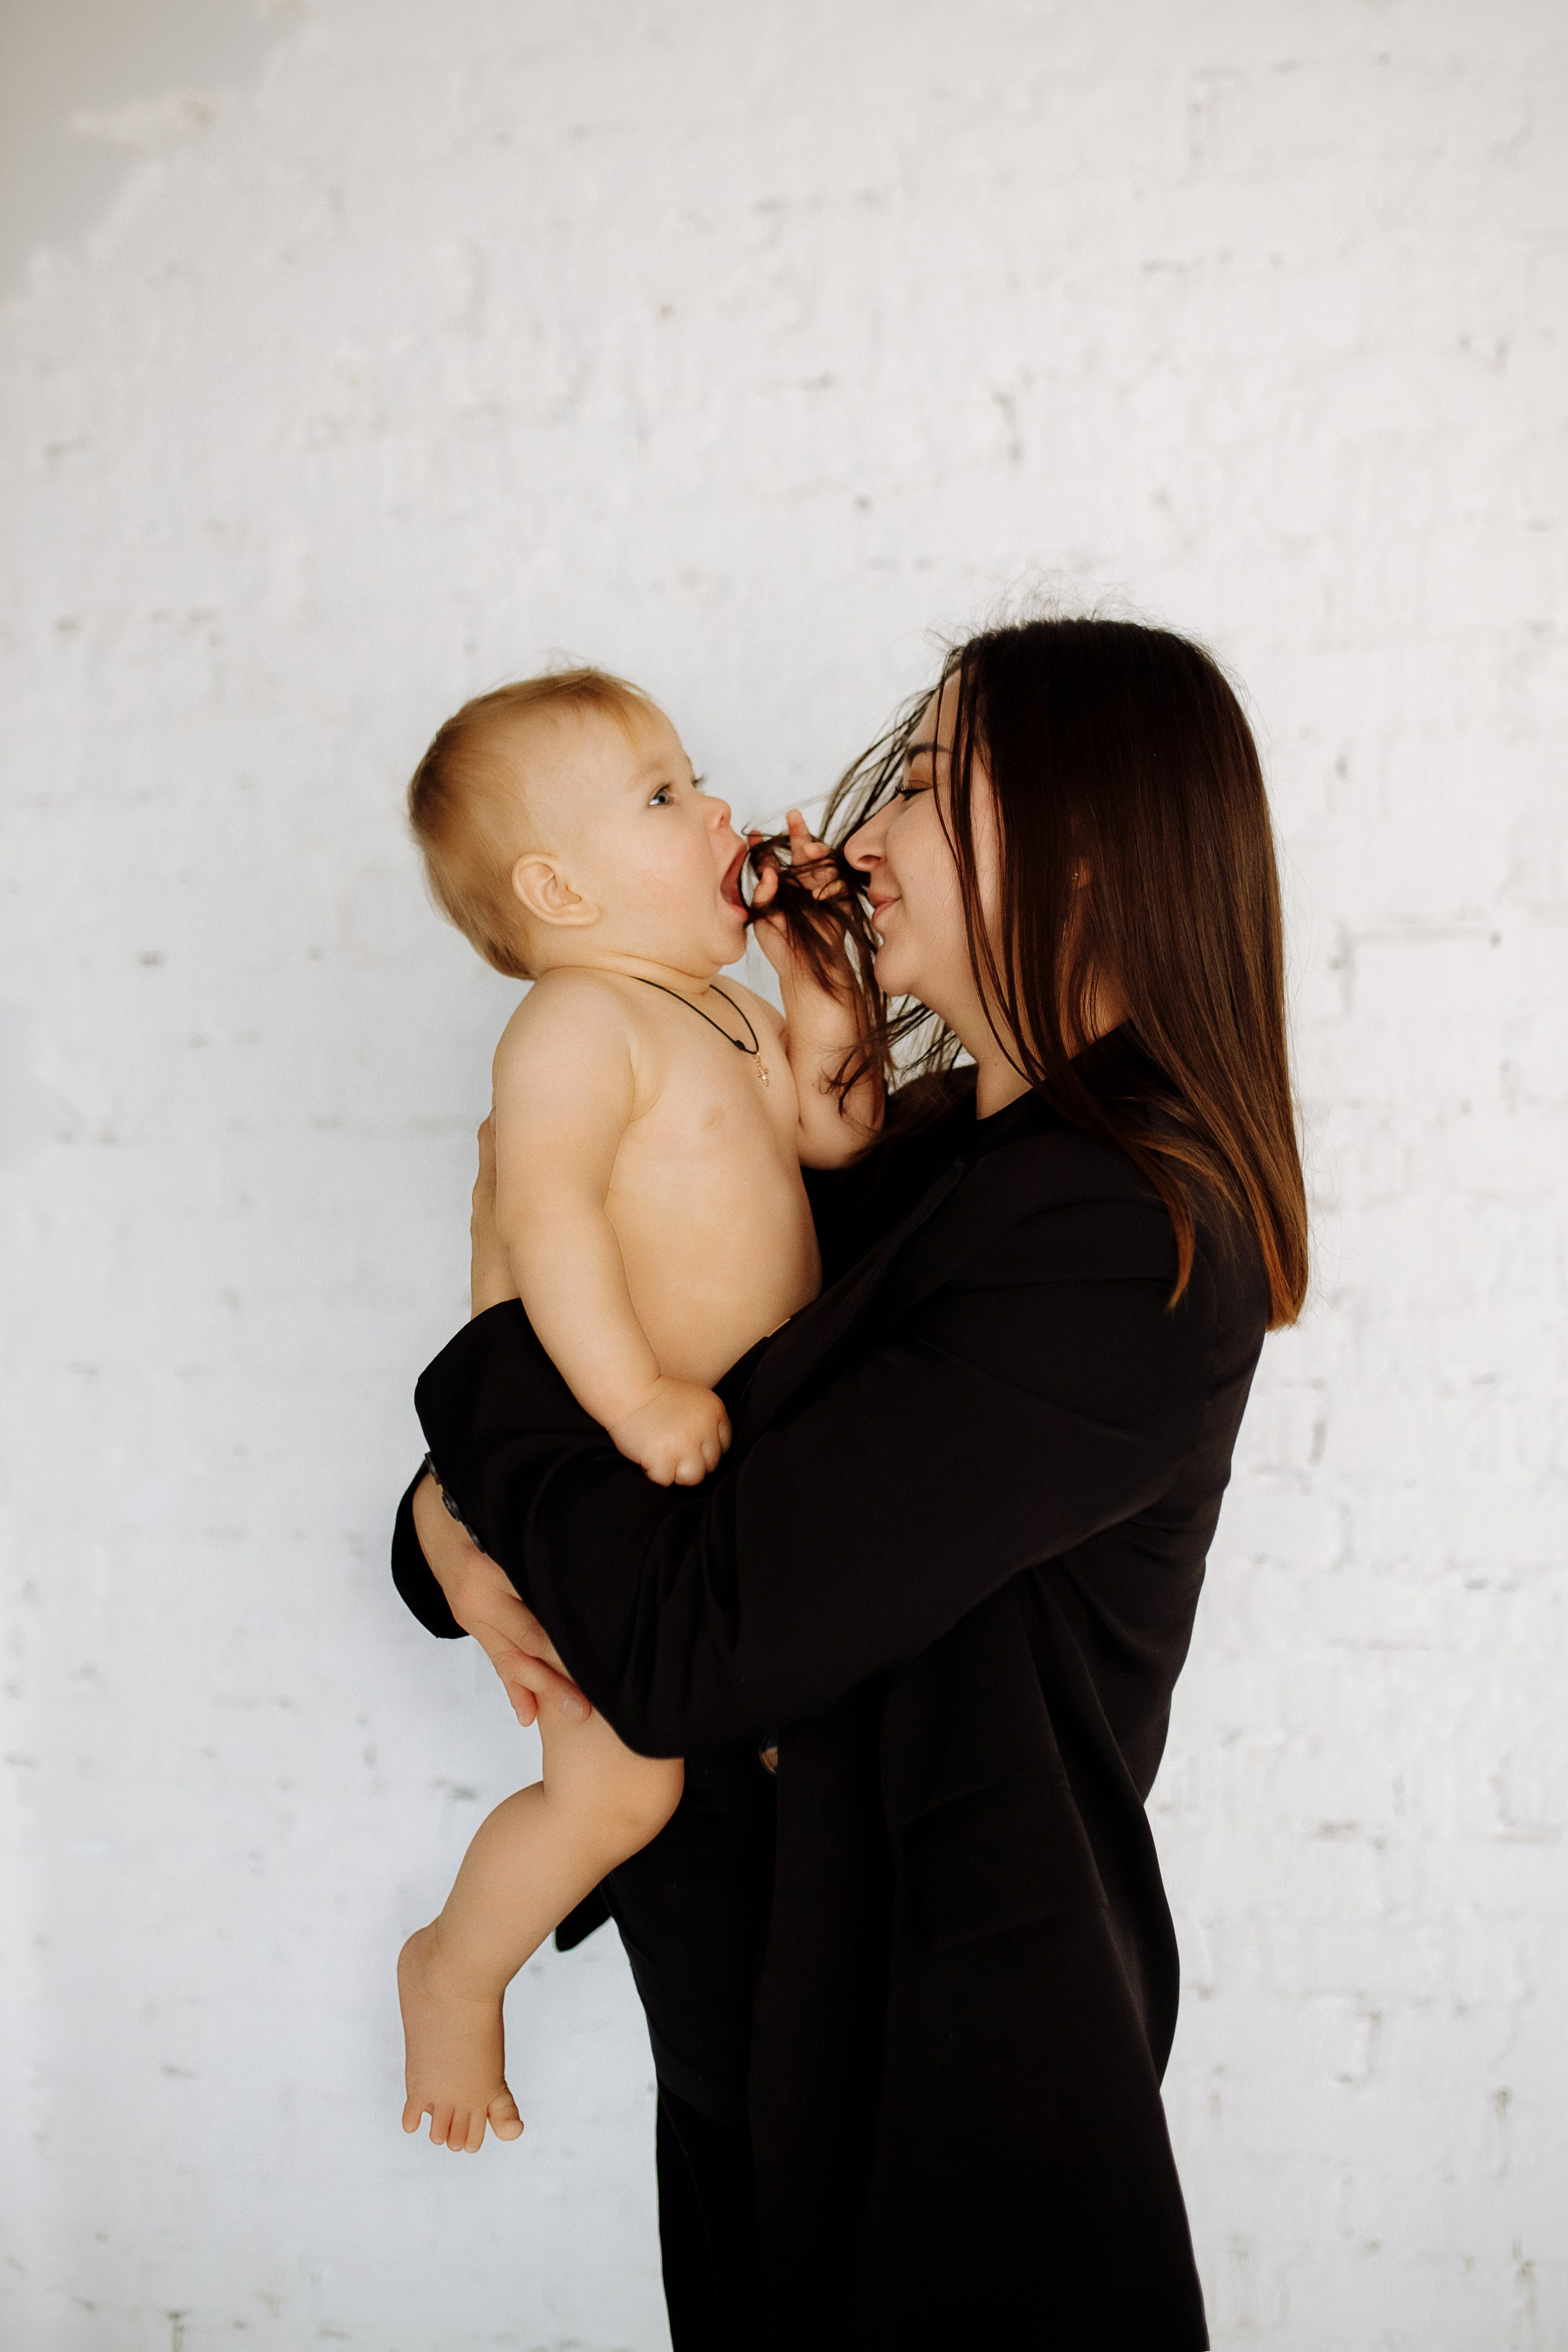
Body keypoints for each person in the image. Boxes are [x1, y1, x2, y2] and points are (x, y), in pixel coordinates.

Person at [391, 616, 1309, 2351]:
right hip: (766, 2039)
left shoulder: (1127, 1238)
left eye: (938, 787)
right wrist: (444, 1517)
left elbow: (688, 1631)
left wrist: (494, 1368)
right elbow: (647, 1421)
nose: (866, 826)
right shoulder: (939, 1158)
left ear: (1092, 849)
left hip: (945, 2096)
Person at [394, 668, 875, 2154]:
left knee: (766, 1732)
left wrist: (815, 980)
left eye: (695, 777)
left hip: (729, 1477)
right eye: (663, 796)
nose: (715, 807)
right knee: (617, 1795)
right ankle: (456, 1975)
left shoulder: (721, 1011)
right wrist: (636, 1395)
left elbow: (840, 1127)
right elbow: (543, 1229)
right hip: (625, 1470)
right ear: (555, 887)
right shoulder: (569, 1029)